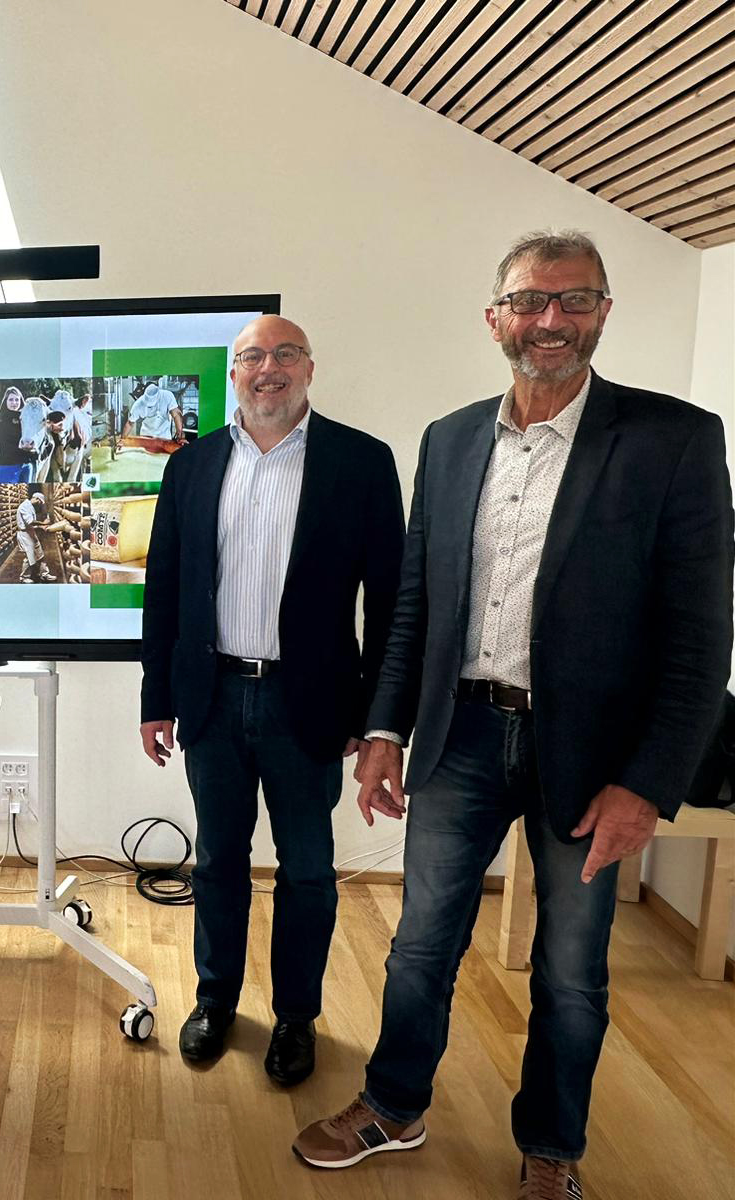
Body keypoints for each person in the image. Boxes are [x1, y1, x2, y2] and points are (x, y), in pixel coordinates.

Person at [294, 231, 734, 1200]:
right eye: (531, 301)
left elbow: (702, 639)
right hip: (458, 736)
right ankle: (393, 1104)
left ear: (604, 312)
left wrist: (648, 785)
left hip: (591, 758)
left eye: (574, 300)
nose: (551, 321)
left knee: (570, 969)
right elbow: (414, 603)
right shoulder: (450, 439)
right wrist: (384, 730)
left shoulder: (673, 440)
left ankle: (552, 1147)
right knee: (421, 943)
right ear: (494, 317)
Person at [140, 316, 404, 1084]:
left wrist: (378, 720)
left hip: (309, 706)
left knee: (309, 872)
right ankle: (215, 1001)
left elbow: (391, 603)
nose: (269, 368)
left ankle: (295, 1019)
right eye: (252, 356)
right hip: (212, 699)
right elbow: (164, 590)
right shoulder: (191, 465)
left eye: (286, 353)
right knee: (219, 862)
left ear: (309, 369)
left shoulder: (360, 462)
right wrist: (156, 698)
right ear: (234, 374)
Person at [0, 386, 32, 484]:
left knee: (25, 493)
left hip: (26, 465)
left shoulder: (25, 418)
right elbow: (6, 444)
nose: (14, 403)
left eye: (17, 400)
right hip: (8, 465)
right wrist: (30, 453)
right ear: (5, 401)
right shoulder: (0, 419)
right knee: (8, 494)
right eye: (11, 400)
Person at [15, 491, 56, 583]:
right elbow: (30, 522)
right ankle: (24, 577)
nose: (40, 505)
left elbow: (29, 525)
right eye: (40, 502)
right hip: (25, 535)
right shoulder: (25, 506)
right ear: (37, 499)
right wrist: (43, 523)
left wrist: (40, 527)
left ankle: (44, 574)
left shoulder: (30, 506)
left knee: (40, 554)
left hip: (31, 533)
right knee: (29, 557)